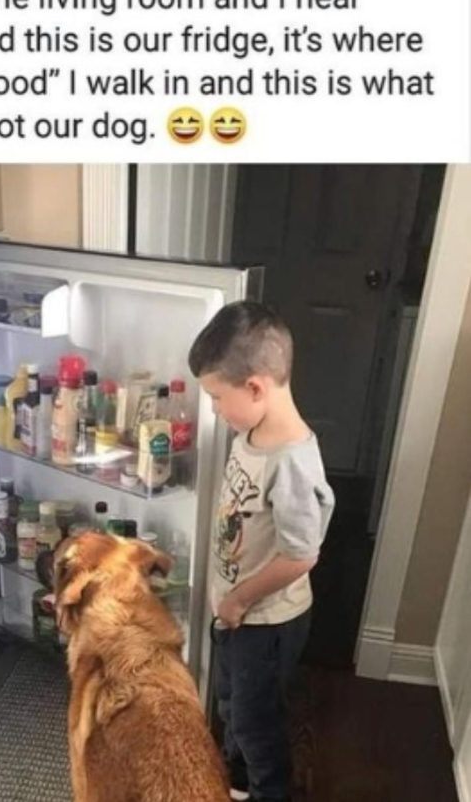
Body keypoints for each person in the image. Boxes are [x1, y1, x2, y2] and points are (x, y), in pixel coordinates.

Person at [188, 301, 335, 802]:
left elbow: (301, 555)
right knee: (232, 707)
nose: (213, 409)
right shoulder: (249, 432)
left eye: (216, 396)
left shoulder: (292, 461)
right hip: (239, 615)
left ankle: (267, 789)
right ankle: (237, 784)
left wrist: (239, 598)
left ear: (255, 388)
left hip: (267, 621)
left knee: (257, 724)